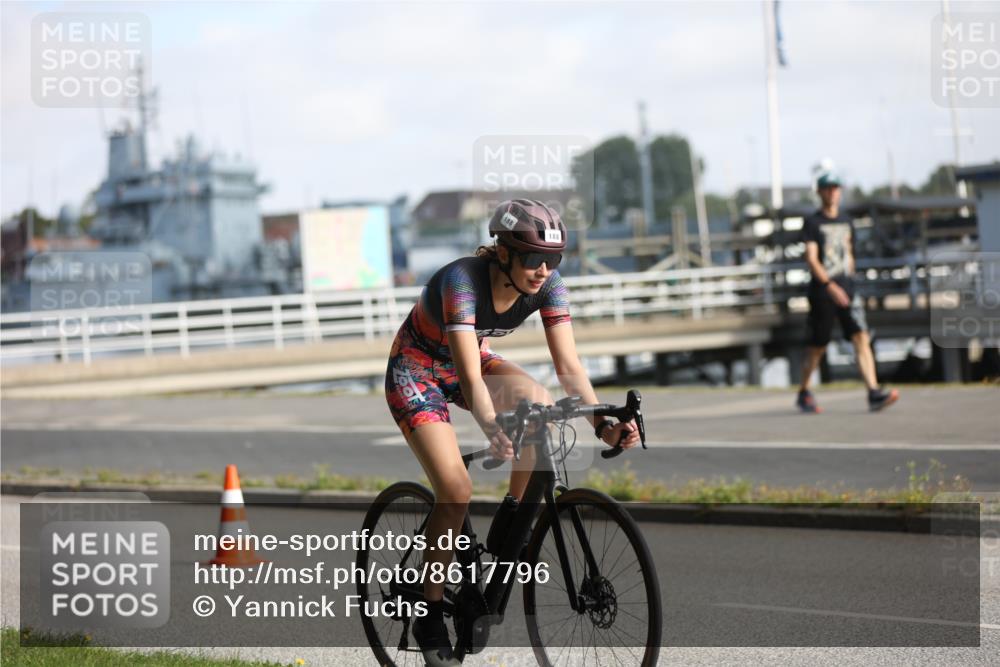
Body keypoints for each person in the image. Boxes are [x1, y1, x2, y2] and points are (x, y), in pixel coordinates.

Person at [384, 199, 640, 666]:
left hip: (471, 363)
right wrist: (491, 425)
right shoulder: (462, 281)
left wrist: (603, 424)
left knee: (539, 403)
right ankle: (430, 609)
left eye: (553, 259)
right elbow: (468, 376)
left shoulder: (549, 285)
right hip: (417, 372)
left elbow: (568, 365)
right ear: (503, 253)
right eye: (533, 258)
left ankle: (512, 520)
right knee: (456, 490)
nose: (543, 270)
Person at [797, 172, 899, 414]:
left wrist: (850, 282)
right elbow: (811, 258)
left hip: (848, 290)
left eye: (836, 188)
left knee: (861, 336)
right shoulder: (813, 223)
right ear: (820, 192)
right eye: (828, 188)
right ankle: (804, 391)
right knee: (818, 346)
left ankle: (873, 392)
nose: (832, 192)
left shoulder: (846, 220)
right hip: (823, 292)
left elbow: (849, 254)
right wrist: (829, 286)